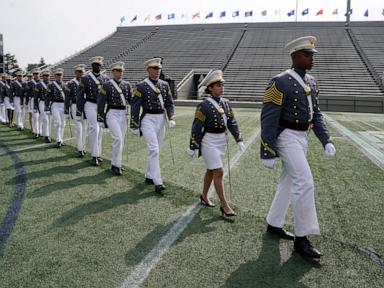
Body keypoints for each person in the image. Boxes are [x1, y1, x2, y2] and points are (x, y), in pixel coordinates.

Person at [260, 36, 336, 261]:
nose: (311, 58)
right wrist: (267, 149)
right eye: (306, 54)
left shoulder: (311, 82)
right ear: (294, 56)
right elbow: (269, 118)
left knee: (289, 180)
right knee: (305, 181)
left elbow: (317, 114)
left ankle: (274, 223)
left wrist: (326, 140)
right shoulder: (279, 81)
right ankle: (302, 239)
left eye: (312, 54)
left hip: (303, 136)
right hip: (286, 136)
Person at [187, 70, 245, 218]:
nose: (221, 87)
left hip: (221, 141)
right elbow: (196, 126)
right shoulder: (203, 105)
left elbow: (232, 122)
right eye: (218, 85)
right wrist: (193, 145)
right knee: (219, 172)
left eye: (222, 85)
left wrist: (239, 139)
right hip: (208, 141)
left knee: (211, 171)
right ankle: (225, 206)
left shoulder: (226, 103)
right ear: (210, 88)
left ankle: (204, 196)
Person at [130, 57, 175, 194]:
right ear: (148, 69)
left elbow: (169, 103)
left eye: (159, 68)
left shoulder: (164, 85)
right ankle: (158, 181)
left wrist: (171, 117)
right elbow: (135, 106)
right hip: (148, 119)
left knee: (156, 150)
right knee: (154, 149)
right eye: (155, 68)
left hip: (161, 119)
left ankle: (149, 175)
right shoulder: (141, 86)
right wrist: (134, 125)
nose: (157, 70)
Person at [97, 61, 132, 175]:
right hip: (112, 113)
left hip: (123, 114)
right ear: (113, 72)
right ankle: (116, 165)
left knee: (121, 140)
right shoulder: (106, 85)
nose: (120, 73)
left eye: (122, 71)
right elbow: (101, 103)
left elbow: (131, 100)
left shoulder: (127, 85)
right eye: (118, 71)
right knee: (118, 139)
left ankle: (116, 163)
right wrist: (100, 118)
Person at [77, 56, 108, 166]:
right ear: (92, 65)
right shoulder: (85, 78)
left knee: (100, 130)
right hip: (89, 105)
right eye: (95, 64)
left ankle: (98, 153)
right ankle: (94, 155)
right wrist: (79, 110)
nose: (97, 66)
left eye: (99, 65)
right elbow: (80, 95)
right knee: (94, 128)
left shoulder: (105, 79)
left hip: (100, 106)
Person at [65, 64, 87, 157]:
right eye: (79, 72)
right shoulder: (70, 83)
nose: (81, 74)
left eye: (82, 72)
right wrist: (66, 110)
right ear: (75, 73)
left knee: (85, 127)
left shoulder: (87, 82)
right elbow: (67, 98)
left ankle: (83, 147)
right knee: (79, 128)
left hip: (85, 106)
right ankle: (80, 148)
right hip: (75, 105)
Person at [46, 68, 66, 147]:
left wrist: (68, 106)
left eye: (60, 75)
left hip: (63, 105)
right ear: (55, 76)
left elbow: (67, 97)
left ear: (62, 76)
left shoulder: (65, 85)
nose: (59, 76)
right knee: (58, 122)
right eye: (57, 75)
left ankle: (61, 139)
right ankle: (58, 140)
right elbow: (47, 97)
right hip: (55, 105)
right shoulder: (50, 85)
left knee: (63, 123)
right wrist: (47, 107)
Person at [34, 69, 52, 143]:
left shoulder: (52, 84)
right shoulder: (38, 85)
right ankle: (47, 136)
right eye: (45, 75)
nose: (46, 77)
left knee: (49, 120)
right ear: (42, 76)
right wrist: (35, 106)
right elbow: (35, 96)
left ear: (49, 76)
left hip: (50, 103)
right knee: (45, 119)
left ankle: (45, 133)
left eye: (47, 75)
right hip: (42, 102)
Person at [26, 68, 41, 138]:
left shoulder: (42, 82)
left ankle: (40, 131)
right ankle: (35, 131)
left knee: (41, 117)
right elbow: (28, 93)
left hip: (41, 100)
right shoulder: (29, 83)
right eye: (35, 74)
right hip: (33, 99)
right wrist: (26, 102)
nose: (36, 75)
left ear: (39, 74)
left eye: (37, 73)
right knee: (35, 116)